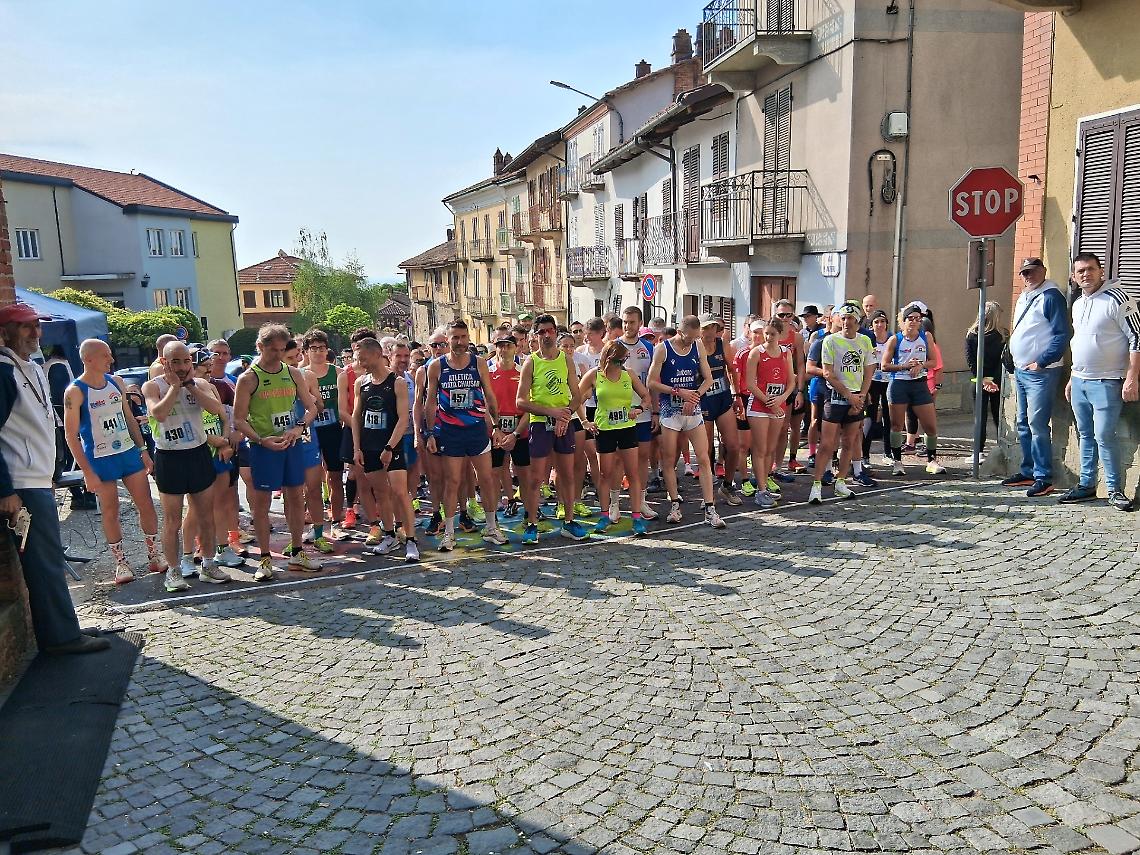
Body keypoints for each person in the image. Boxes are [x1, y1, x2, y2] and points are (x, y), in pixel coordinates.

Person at [0, 304, 109, 654]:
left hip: (35, 477)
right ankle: (62, 637)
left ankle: (62, 627)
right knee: (44, 561)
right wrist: (5, 489)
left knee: (47, 557)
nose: (35, 333)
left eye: (37, 326)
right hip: (22, 482)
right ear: (6, 333)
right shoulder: (4, 372)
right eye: (26, 327)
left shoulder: (28, 367)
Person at [63, 339, 165, 585]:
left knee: (146, 504)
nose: (111, 360)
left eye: (110, 355)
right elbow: (70, 434)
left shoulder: (116, 382)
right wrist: (87, 471)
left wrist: (143, 449)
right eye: (105, 356)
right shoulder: (75, 391)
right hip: (100, 457)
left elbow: (128, 418)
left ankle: (154, 554)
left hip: (128, 452)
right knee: (111, 510)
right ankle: (121, 563)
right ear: (88, 359)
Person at [233, 324, 322, 580]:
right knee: (261, 503)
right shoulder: (248, 378)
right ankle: (264, 558)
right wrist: (261, 440)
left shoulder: (293, 373)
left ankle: (296, 552)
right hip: (264, 448)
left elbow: (311, 407)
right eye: (274, 350)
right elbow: (239, 420)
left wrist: (298, 427)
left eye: (283, 350)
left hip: (291, 444)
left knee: (296, 497)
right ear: (260, 347)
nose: (279, 355)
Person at [142, 341, 232, 592]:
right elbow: (157, 413)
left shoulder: (200, 384)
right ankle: (173, 571)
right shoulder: (153, 385)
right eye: (176, 362)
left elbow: (216, 410)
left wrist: (190, 385)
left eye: (186, 361)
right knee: (172, 519)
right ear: (164, 362)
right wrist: (173, 388)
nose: (182, 367)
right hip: (170, 457)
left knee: (206, 514)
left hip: (198, 454)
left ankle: (209, 564)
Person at [1059, 252, 1140, 511]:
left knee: (1104, 435)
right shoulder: (1078, 303)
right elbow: (1079, 342)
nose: (1086, 274)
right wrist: (1072, 377)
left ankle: (1115, 490)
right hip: (1080, 381)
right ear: (1074, 276)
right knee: (1085, 435)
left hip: (1108, 381)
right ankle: (1086, 485)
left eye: (1091, 269)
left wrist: (1132, 379)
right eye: (1080, 271)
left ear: (1100, 271)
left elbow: (1137, 337)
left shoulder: (1119, 297)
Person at [424, 319, 508, 550]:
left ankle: (491, 527)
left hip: (476, 429)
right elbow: (430, 402)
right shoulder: (437, 366)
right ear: (447, 339)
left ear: (468, 338)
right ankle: (449, 532)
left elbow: (489, 395)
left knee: (487, 478)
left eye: (463, 337)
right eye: (455, 338)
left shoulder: (478, 363)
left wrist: (496, 425)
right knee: (453, 481)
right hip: (451, 432)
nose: (459, 342)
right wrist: (430, 433)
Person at [647, 315, 726, 529]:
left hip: (692, 409)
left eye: (695, 338)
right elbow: (651, 382)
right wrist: (678, 391)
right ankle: (674, 504)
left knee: (703, 457)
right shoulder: (663, 348)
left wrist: (695, 396)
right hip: (670, 410)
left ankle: (710, 507)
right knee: (669, 459)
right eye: (689, 338)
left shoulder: (698, 346)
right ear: (681, 332)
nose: (692, 341)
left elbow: (708, 379)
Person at [517, 314, 590, 541]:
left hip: (564, 423)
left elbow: (576, 396)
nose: (547, 335)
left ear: (556, 333)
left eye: (550, 331)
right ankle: (532, 523)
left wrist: (564, 415)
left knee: (567, 474)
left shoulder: (566, 360)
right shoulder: (531, 362)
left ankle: (569, 521)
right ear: (535, 335)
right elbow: (521, 401)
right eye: (542, 332)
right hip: (540, 424)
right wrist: (552, 413)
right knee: (536, 477)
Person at [1000, 258, 1068, 496]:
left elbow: (1062, 334)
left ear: (1043, 271)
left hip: (1042, 372)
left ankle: (1043, 477)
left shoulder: (1051, 296)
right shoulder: (1024, 296)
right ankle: (1028, 471)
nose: (1028, 276)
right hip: (1021, 370)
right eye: (1024, 273)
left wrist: (1041, 361)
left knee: (1037, 424)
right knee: (1023, 423)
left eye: (1032, 271)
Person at [351, 338, 420, 562]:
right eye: (358, 359)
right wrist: (356, 448)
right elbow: (356, 416)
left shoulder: (397, 382)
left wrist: (390, 447)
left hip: (392, 444)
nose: (360, 363)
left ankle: (410, 540)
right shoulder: (361, 382)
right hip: (369, 445)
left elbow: (402, 419)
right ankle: (388, 535)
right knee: (381, 493)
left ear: (377, 354)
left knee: (400, 492)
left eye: (363, 358)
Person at [578, 339, 652, 535]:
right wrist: (585, 421)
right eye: (618, 361)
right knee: (605, 474)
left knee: (633, 473)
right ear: (608, 359)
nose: (622, 365)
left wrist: (639, 409)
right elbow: (576, 398)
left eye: (624, 360)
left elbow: (646, 396)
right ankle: (604, 515)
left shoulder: (629, 374)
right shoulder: (595, 375)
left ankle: (636, 518)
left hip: (627, 428)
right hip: (605, 429)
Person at [808, 304, 874, 504]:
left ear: (857, 321)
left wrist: (861, 395)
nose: (846, 322)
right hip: (836, 396)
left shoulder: (864, 341)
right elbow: (827, 372)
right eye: (843, 318)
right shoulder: (830, 340)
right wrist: (849, 395)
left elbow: (869, 369)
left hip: (856, 398)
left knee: (850, 442)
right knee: (827, 444)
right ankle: (817, 485)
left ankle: (841, 481)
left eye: (851, 319)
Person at [881, 303, 945, 476]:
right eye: (911, 319)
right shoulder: (895, 339)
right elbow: (884, 365)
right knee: (896, 425)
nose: (915, 322)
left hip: (919, 384)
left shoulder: (926, 337)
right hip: (899, 384)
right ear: (903, 321)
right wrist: (903, 366)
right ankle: (897, 461)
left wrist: (921, 365)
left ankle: (931, 461)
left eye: (918, 319)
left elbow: (934, 361)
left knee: (930, 426)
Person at [745, 318, 794, 509]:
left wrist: (781, 399)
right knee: (760, 448)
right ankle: (761, 490)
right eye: (766, 333)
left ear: (780, 335)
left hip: (777, 404)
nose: (768, 337)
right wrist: (767, 401)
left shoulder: (786, 353)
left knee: (770, 449)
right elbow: (750, 383)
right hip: (759, 406)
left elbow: (791, 381)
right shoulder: (756, 353)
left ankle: (765, 483)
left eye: (773, 334)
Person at [302, 329, 346, 537]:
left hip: (332, 428)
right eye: (314, 348)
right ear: (307, 351)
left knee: (335, 476)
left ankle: (336, 520)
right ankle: (316, 524)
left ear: (327, 350)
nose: (318, 352)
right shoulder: (300, 374)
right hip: (309, 429)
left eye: (322, 348)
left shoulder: (337, 373)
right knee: (311, 480)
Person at [697, 314, 742, 506]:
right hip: (703, 401)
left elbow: (732, 370)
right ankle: (707, 493)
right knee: (705, 450)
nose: (709, 332)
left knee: (733, 446)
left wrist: (737, 395)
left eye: (712, 328)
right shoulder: (694, 347)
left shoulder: (723, 344)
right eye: (705, 328)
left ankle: (727, 484)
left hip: (723, 398)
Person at [965, 302, 1006, 452]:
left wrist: (982, 379)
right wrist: (992, 380)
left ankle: (978, 451)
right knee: (999, 417)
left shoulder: (972, 335)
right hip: (996, 381)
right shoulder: (1002, 335)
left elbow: (971, 361)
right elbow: (1003, 361)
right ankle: (1001, 448)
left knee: (979, 419)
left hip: (978, 381)